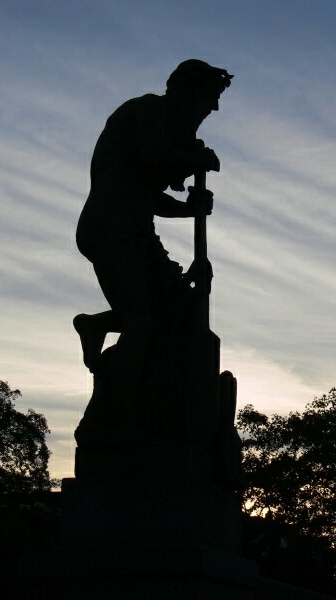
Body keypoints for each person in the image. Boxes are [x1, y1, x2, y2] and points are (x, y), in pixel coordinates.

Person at [73, 59, 232, 412]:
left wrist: (192, 208)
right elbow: (154, 161)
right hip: (111, 228)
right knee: (142, 321)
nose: (214, 107)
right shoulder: (147, 112)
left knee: (175, 307)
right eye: (209, 97)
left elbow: (149, 196)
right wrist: (194, 160)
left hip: (137, 229)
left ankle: (96, 325)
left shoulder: (166, 129)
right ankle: (123, 417)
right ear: (186, 91)